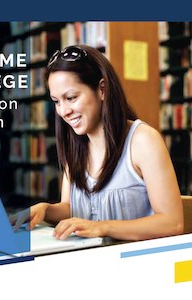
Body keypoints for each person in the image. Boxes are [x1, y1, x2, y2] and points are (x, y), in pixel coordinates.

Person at [10, 45, 184, 241]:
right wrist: (46, 209)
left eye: (71, 98)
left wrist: (103, 227)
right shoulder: (74, 146)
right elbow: (72, 209)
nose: (63, 111)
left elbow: (172, 222)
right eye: (56, 101)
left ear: (102, 89)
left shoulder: (143, 140)